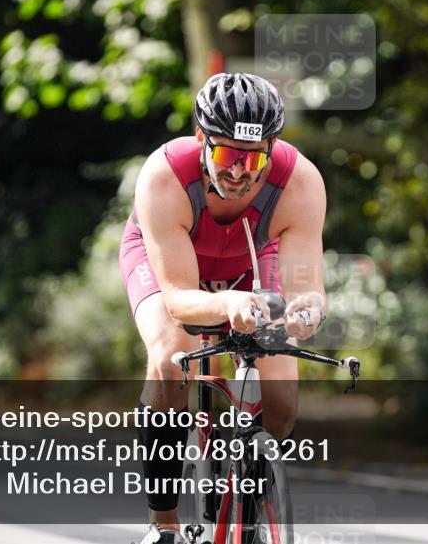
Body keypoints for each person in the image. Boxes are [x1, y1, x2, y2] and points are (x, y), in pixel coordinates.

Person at [119, 73, 327, 544]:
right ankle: (164, 523)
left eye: (253, 159)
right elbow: (177, 300)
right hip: (172, 260)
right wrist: (227, 302)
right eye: (227, 155)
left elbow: (307, 290)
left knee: (281, 403)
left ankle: (246, 493)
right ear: (201, 140)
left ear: (272, 149)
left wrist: (304, 316)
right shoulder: (165, 174)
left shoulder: (301, 183)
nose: (238, 172)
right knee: (172, 356)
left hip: (253, 258)